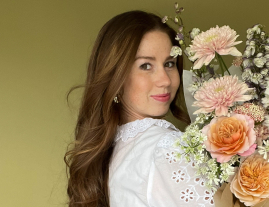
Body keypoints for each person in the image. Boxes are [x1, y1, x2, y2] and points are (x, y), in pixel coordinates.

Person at [64, 11, 215, 207]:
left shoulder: (114, 151)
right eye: (145, 66)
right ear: (115, 76)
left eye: (169, 64)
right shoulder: (166, 147)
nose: (165, 80)